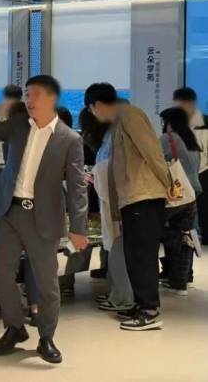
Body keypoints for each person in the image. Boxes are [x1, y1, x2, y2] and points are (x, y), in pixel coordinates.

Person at [0, 75, 88, 364]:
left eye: (34, 95)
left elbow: (77, 186)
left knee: (46, 282)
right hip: (8, 211)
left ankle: (46, 337)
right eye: (27, 95)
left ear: (50, 98)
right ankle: (14, 328)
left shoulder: (70, 139)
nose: (28, 100)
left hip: (43, 216)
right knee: (0, 273)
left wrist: (78, 228)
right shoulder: (19, 124)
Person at [85, 82, 173, 331]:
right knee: (134, 255)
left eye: (91, 110)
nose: (93, 115)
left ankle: (149, 311)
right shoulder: (117, 124)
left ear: (97, 105)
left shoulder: (130, 114)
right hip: (132, 198)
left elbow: (151, 150)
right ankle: (141, 304)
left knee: (142, 256)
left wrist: (167, 183)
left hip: (144, 196)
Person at [80, 106, 134, 314]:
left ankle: (122, 297)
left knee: (117, 247)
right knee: (115, 247)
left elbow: (106, 171)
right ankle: (117, 293)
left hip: (116, 203)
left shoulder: (112, 139)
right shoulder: (112, 138)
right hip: (115, 202)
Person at [159, 107, 201, 296]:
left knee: (161, 232)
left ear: (170, 122)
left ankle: (169, 274)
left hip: (174, 194)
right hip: (192, 193)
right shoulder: (192, 140)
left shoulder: (167, 139)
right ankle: (182, 281)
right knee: (185, 235)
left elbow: (154, 161)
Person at [173, 87, 208, 242]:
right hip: (181, 173)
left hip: (203, 171)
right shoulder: (175, 124)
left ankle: (204, 236)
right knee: (184, 210)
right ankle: (186, 237)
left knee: (203, 207)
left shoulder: (205, 122)